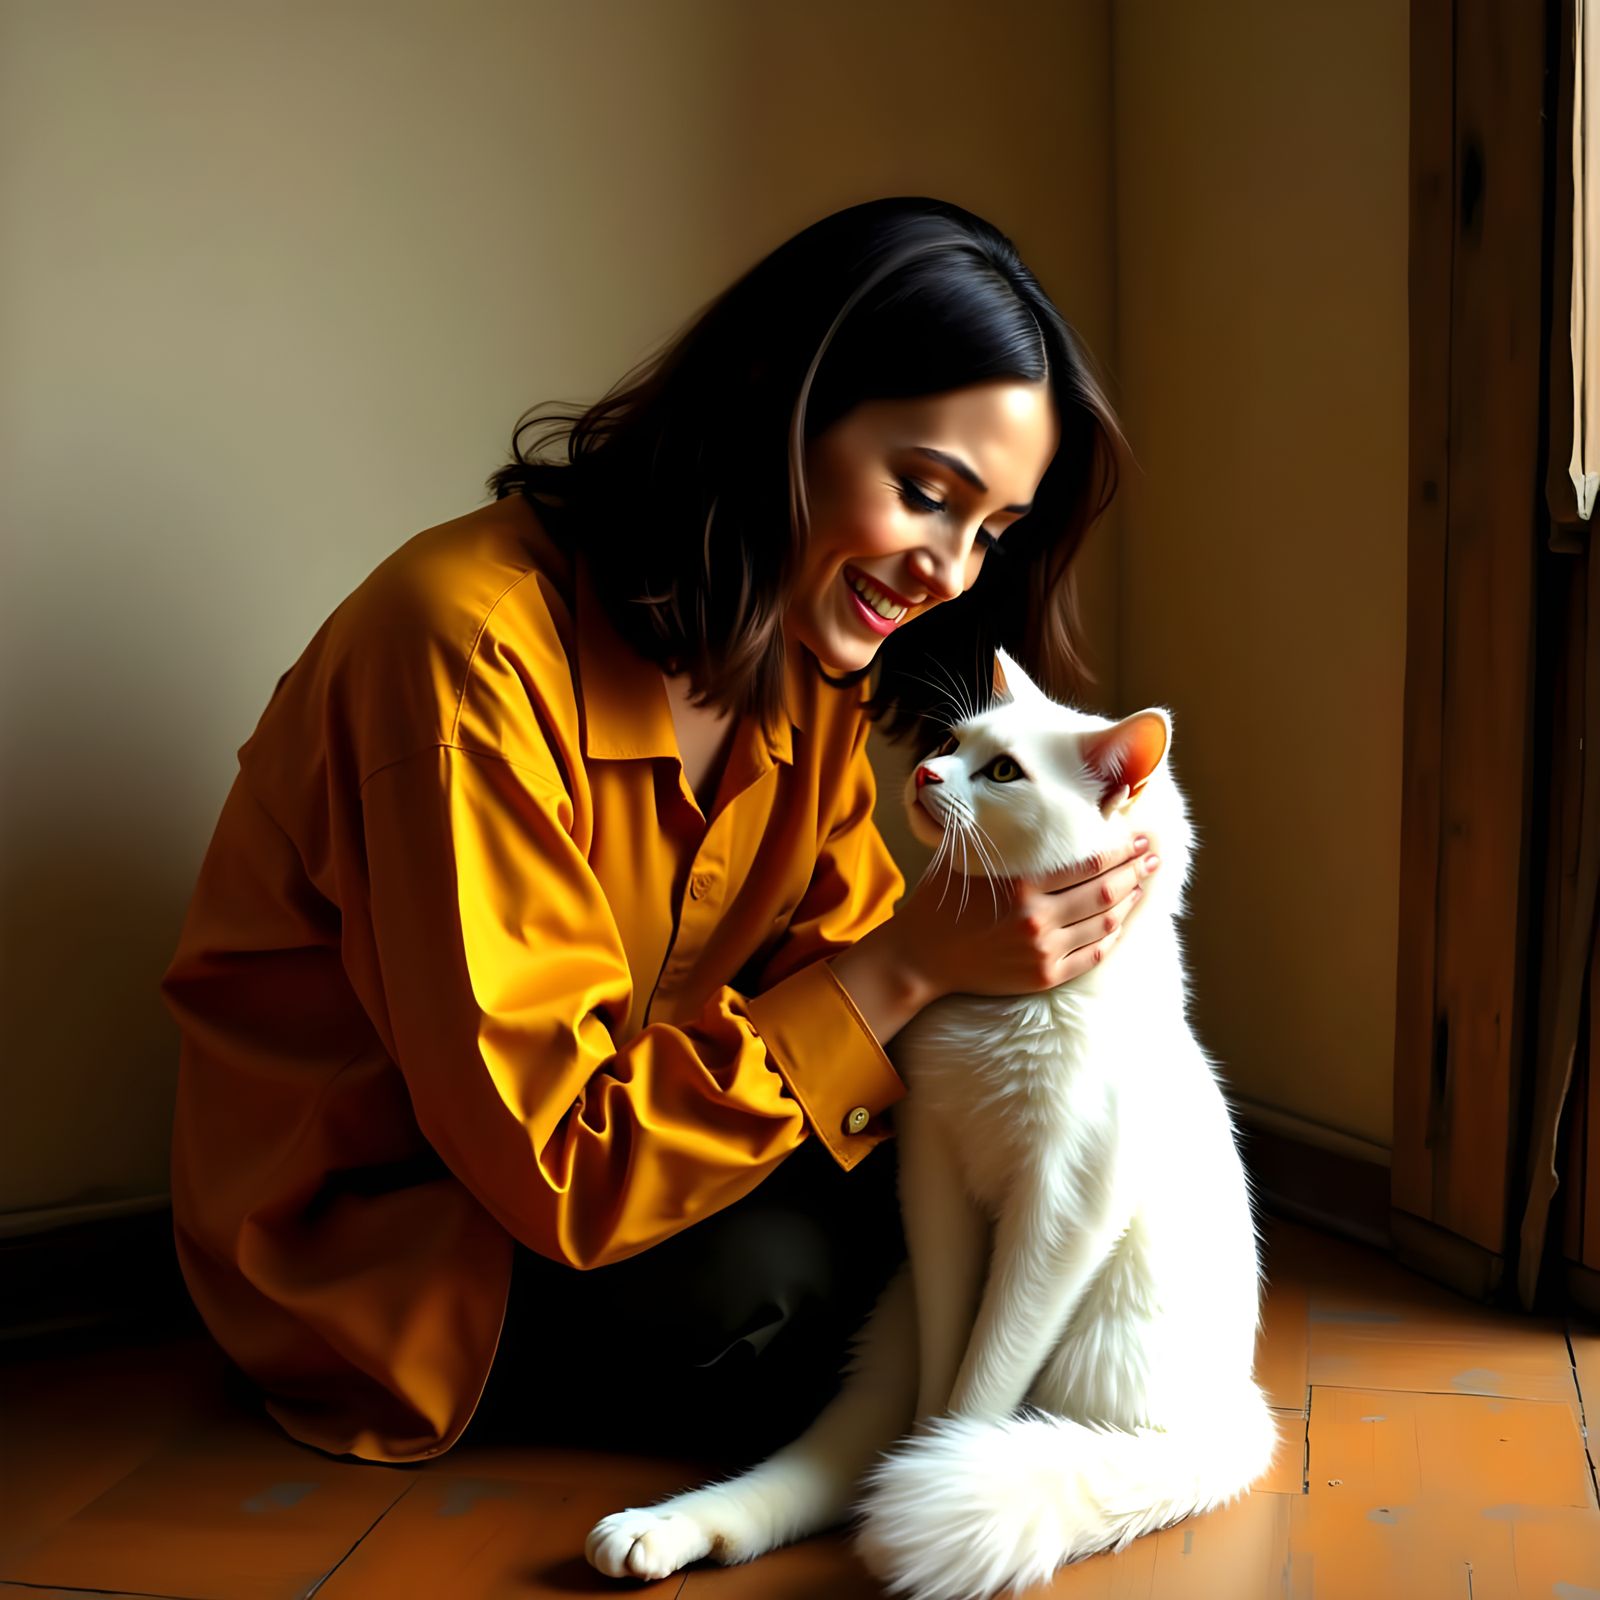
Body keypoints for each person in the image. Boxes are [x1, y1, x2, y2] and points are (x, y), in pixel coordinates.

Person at [159, 196, 1158, 1467]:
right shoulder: (463, 650)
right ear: (774, 403)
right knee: (779, 1285)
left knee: (979, 1214)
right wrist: (912, 962)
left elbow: (833, 974)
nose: (950, 573)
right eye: (923, 493)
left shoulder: (802, 658)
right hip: (410, 1239)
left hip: (631, 1149)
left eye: (991, 534)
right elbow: (556, 1168)